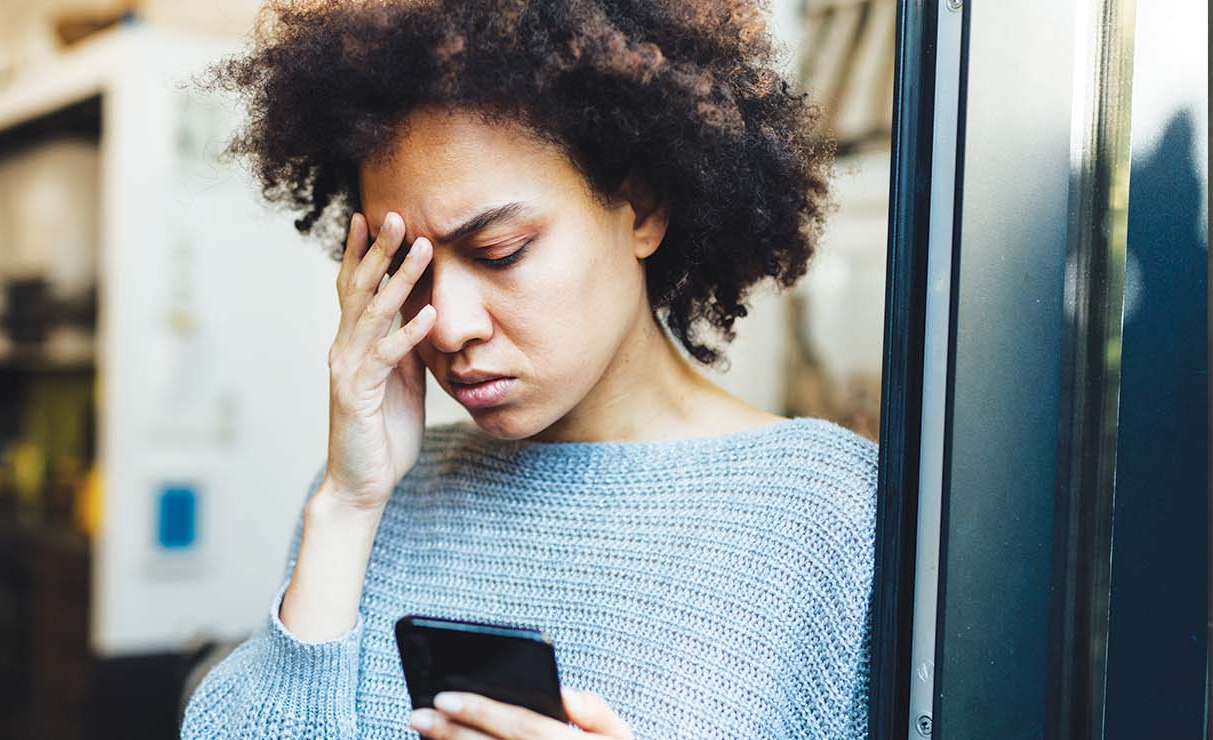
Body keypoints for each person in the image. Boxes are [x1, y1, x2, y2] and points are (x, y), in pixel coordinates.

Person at [182, 1, 876, 738]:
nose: (447, 325)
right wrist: (347, 507)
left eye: (500, 252)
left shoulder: (827, 511)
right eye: (407, 273)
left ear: (640, 209)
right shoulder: (376, 501)